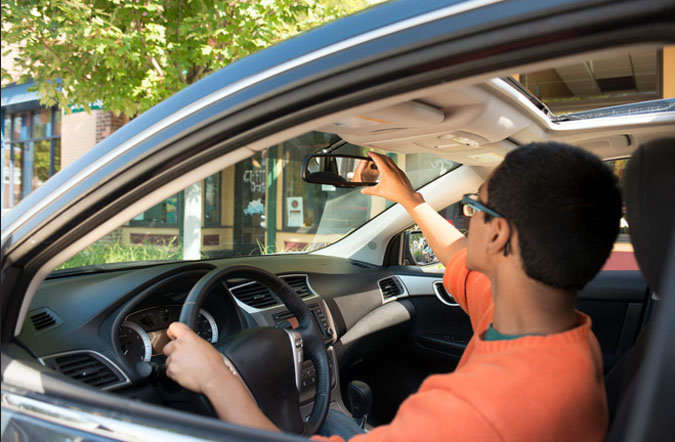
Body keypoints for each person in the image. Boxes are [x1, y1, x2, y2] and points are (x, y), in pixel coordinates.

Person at [163, 142, 621, 441]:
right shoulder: (561, 333)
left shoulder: (473, 412)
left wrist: (216, 377)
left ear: (499, 235)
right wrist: (409, 199)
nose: (466, 219)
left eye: (473, 206)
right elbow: (459, 254)